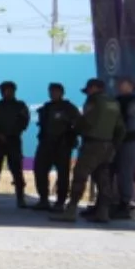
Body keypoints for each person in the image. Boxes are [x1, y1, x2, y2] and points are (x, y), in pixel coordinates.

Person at [52, 78, 123, 224]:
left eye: (88, 90)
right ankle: (103, 213)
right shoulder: (114, 103)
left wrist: (75, 128)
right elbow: (121, 128)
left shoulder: (93, 101)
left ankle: (71, 211)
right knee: (103, 179)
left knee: (80, 176)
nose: (87, 93)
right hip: (108, 145)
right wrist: (114, 145)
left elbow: (86, 122)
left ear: (93, 88)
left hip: (92, 145)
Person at [32, 83, 81, 213]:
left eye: (55, 91)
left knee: (63, 174)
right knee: (40, 170)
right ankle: (43, 199)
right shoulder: (46, 108)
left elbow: (78, 125)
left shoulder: (69, 108)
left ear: (61, 93)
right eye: (51, 91)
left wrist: (70, 137)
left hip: (62, 146)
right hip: (46, 144)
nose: (53, 94)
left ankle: (60, 202)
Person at [0, 81, 31, 208]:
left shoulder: (20, 106)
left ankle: (20, 198)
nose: (4, 92)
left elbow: (24, 122)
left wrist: (10, 134)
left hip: (13, 141)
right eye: (3, 90)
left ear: (12, 91)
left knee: (17, 171)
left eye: (6, 90)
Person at [110, 78, 135, 221]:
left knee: (125, 172)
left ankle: (126, 204)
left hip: (129, 142)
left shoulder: (133, 102)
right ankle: (114, 203)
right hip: (117, 141)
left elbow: (131, 124)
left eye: (121, 83)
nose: (118, 86)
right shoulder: (118, 100)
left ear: (130, 86)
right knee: (114, 171)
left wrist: (121, 134)